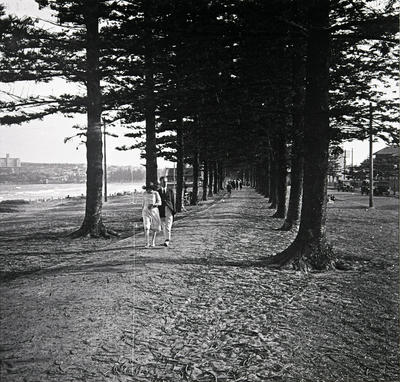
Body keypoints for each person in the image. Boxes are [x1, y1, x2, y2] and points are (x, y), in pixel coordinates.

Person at [141, 182, 162, 248]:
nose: (148, 190)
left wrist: (154, 205)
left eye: (150, 189)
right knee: (146, 227)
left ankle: (153, 242)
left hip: (154, 211)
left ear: (152, 189)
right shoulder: (144, 193)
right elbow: (143, 203)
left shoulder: (156, 193)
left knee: (154, 228)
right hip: (145, 211)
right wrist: (142, 211)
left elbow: (160, 202)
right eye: (147, 189)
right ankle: (147, 243)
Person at [158, 176, 176, 247]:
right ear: (160, 182)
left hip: (169, 210)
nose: (165, 183)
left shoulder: (170, 191)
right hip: (161, 211)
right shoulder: (158, 192)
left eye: (166, 182)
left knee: (168, 226)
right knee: (164, 226)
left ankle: (167, 240)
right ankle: (166, 239)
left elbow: (173, 201)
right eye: (163, 182)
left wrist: (173, 211)